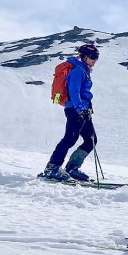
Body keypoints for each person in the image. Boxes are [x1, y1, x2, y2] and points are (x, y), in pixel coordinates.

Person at [43, 44, 101, 182]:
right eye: (92, 57)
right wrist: (80, 108)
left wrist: (85, 109)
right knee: (70, 139)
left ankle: (72, 168)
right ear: (84, 56)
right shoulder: (77, 71)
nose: (95, 60)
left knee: (91, 140)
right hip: (75, 110)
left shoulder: (84, 70)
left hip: (83, 110)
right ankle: (52, 168)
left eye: (96, 57)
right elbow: (73, 91)